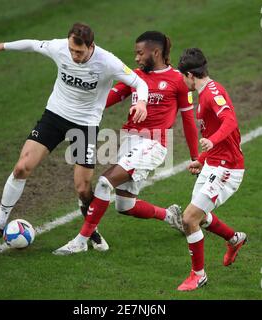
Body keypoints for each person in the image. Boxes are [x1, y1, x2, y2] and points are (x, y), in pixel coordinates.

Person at [0, 23, 149, 253]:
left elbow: (139, 82)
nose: (74, 55)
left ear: (91, 47)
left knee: (82, 186)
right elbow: (32, 44)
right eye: (71, 50)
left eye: (79, 52)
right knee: (21, 168)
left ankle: (91, 229)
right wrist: (1, 46)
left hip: (85, 124)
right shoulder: (59, 48)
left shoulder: (107, 62)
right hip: (55, 116)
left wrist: (141, 101)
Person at [53, 31, 199, 255]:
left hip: (154, 144)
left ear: (156, 52)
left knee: (104, 182)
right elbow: (106, 99)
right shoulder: (135, 77)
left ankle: (81, 241)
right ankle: (170, 215)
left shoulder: (178, 80)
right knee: (125, 206)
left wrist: (195, 157)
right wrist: (75, 114)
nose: (137, 58)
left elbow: (189, 121)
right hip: (129, 142)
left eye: (140, 53)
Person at [176, 48, 247, 291]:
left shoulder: (211, 94)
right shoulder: (206, 91)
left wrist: (213, 141)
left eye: (182, 77)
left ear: (189, 75)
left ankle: (199, 275)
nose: (182, 82)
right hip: (214, 163)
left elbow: (230, 121)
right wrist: (204, 158)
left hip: (228, 168)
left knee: (189, 218)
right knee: (200, 216)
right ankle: (235, 239)